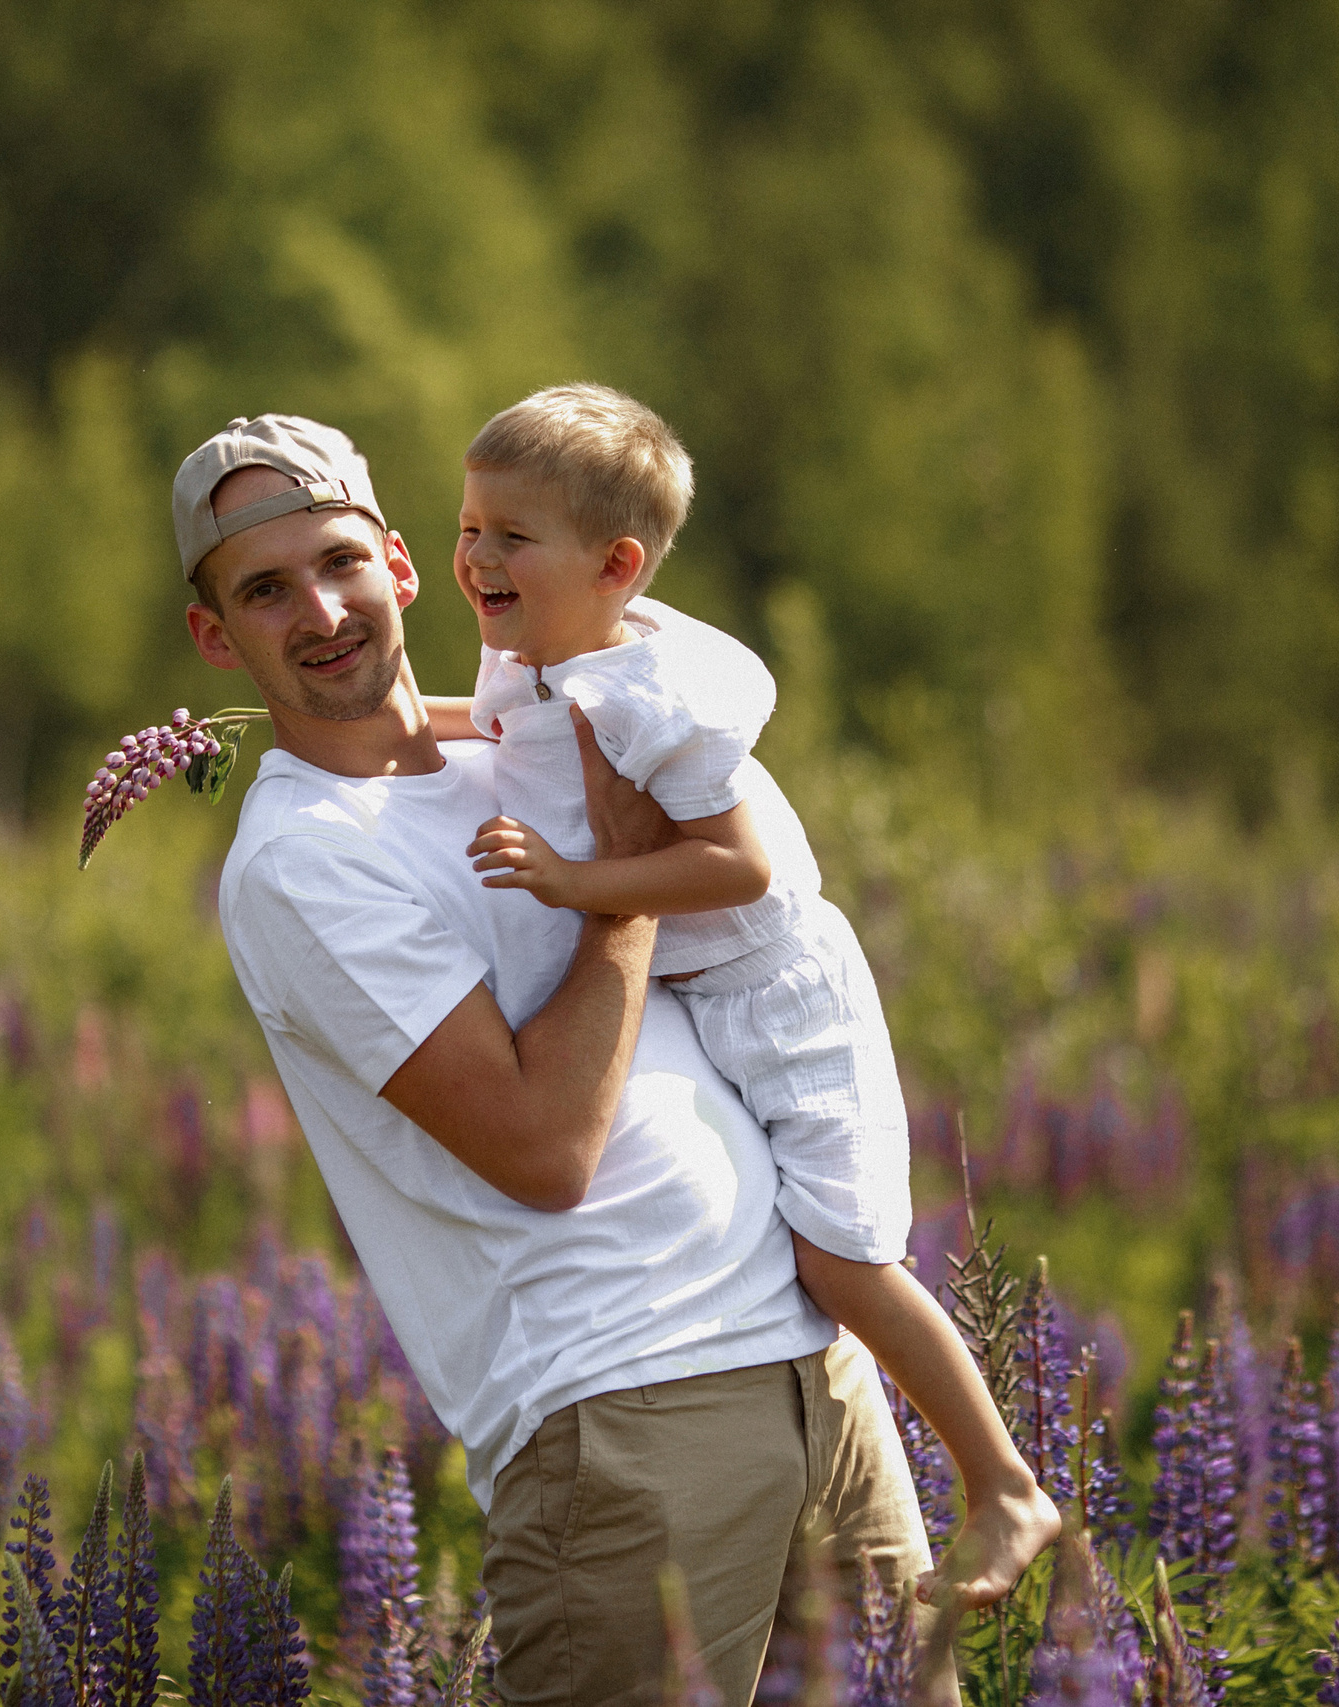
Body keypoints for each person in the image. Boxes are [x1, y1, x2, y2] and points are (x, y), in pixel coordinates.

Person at [175, 412, 945, 1706]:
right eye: (264, 588)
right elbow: (546, 1148)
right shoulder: (305, 859)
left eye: (340, 561)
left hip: (816, 1364)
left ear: (406, 566)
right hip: (629, 1414)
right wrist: (624, 882)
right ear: (216, 635)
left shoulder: (516, 727)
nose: (320, 609)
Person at [423, 383, 1060, 1611]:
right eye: (467, 526)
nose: (476, 558)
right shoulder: (532, 653)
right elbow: (492, 729)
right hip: (701, 994)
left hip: (783, 997)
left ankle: (1004, 1487)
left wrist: (576, 879)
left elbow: (737, 863)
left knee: (841, 1258)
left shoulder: (654, 698)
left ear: (614, 566)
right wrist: (376, 735)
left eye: (511, 537)